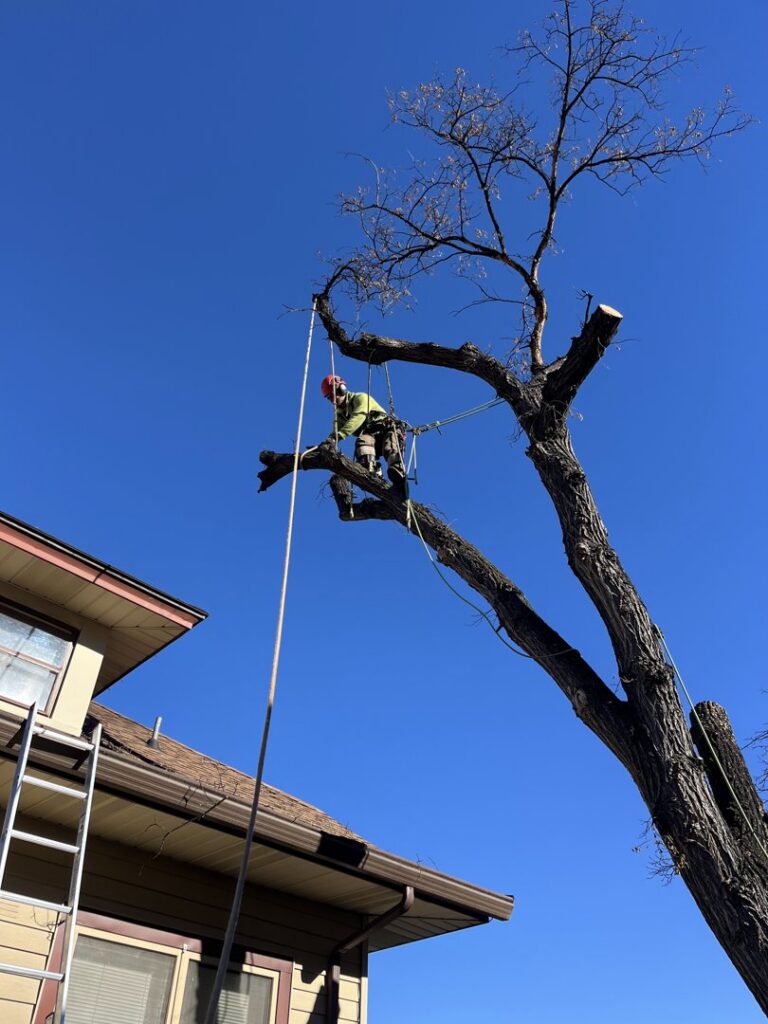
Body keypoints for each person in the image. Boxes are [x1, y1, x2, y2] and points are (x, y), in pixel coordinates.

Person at [316, 374, 407, 494]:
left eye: (333, 394)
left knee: (390, 445)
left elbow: (358, 417)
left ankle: (397, 471)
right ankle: (371, 472)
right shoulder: (339, 416)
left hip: (386, 428)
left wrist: (337, 436)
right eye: (329, 398)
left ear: (342, 388)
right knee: (363, 442)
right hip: (371, 437)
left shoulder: (361, 398)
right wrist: (328, 442)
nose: (333, 400)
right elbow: (335, 433)